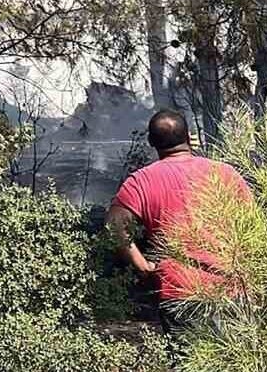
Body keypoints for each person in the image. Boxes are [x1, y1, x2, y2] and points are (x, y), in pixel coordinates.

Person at [106, 109, 251, 336]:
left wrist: (141, 265)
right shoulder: (225, 173)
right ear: (189, 136)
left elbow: (114, 225)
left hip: (178, 291)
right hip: (230, 286)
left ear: (152, 142)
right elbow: (252, 226)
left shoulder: (140, 181)